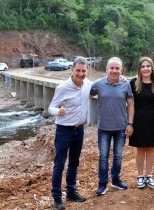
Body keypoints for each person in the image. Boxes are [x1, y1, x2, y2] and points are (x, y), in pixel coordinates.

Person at [49, 57, 92, 210]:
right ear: (72, 70)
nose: (81, 73)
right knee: (59, 164)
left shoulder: (88, 84)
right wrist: (58, 111)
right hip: (63, 130)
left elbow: (103, 84)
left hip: (79, 130)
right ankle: (57, 198)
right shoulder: (62, 87)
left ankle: (71, 192)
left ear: (87, 71)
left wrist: (119, 77)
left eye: (83, 71)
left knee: (74, 162)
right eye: (78, 70)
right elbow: (51, 107)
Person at [90, 57, 134, 196]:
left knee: (118, 155)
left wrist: (130, 124)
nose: (114, 71)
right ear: (106, 69)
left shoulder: (126, 85)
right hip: (103, 128)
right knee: (103, 156)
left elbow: (131, 105)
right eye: (112, 68)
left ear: (121, 70)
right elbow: (87, 96)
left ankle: (116, 180)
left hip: (121, 127)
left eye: (117, 68)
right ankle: (102, 185)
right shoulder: (98, 84)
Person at [129, 57, 154, 189]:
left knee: (151, 148)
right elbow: (128, 102)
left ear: (152, 68)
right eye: (143, 66)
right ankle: (140, 176)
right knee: (140, 148)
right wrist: (129, 123)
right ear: (139, 69)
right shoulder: (133, 83)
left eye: (148, 66)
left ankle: (149, 175)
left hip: (153, 119)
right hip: (138, 119)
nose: (145, 68)